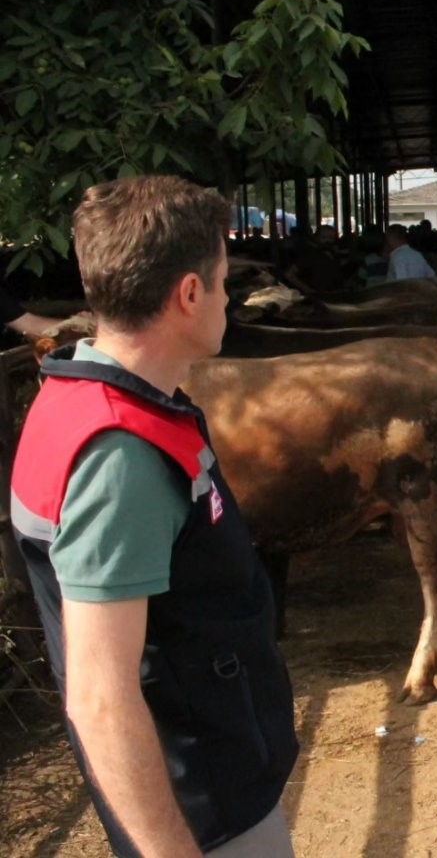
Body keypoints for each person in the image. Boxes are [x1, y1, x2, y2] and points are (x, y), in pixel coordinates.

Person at [10, 175, 299, 857]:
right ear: (189, 293)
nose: (229, 298)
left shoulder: (78, 396)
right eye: (225, 281)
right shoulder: (122, 458)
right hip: (205, 803)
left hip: (217, 764)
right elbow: (100, 701)